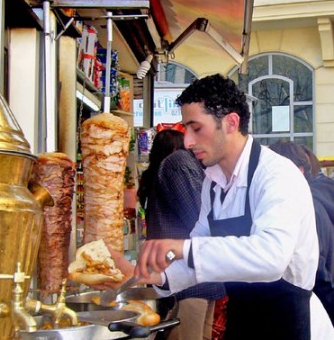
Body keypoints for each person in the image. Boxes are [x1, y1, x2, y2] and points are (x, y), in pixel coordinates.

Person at [128, 74, 332, 339]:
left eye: (196, 128)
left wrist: (182, 247)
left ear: (231, 123)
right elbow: (198, 255)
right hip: (242, 321)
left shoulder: (277, 175)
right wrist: (152, 276)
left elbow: (272, 257)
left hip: (288, 324)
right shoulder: (212, 184)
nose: (188, 142)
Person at [137, 127, 226, 340]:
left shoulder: (170, 170)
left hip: (196, 272)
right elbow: (198, 219)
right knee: (191, 334)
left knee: (195, 332)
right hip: (190, 274)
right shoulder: (180, 165)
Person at [269, 140, 334, 324]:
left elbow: (315, 270)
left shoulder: (301, 209)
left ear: (299, 171)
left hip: (310, 311)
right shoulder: (319, 200)